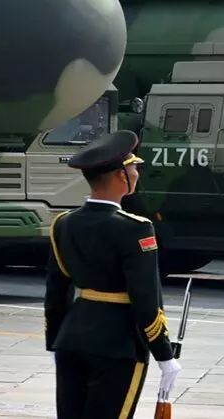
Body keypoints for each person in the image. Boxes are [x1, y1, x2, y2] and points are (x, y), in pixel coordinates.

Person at [45, 129, 182, 418]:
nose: (137, 173)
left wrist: (56, 339)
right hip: (118, 346)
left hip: (70, 341)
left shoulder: (64, 224)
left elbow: (56, 291)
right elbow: (145, 298)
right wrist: (164, 354)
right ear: (122, 175)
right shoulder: (135, 228)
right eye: (134, 168)